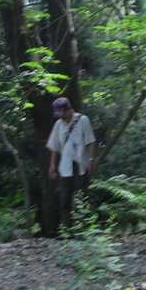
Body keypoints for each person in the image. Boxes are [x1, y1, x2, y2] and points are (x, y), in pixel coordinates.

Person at [46, 95, 95, 230]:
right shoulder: (58, 124)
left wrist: (91, 160)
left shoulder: (83, 120)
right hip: (65, 167)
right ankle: (67, 230)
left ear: (68, 110)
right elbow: (54, 146)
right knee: (64, 200)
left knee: (81, 197)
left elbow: (91, 141)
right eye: (58, 113)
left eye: (61, 113)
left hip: (81, 164)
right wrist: (52, 166)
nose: (60, 116)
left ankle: (83, 229)